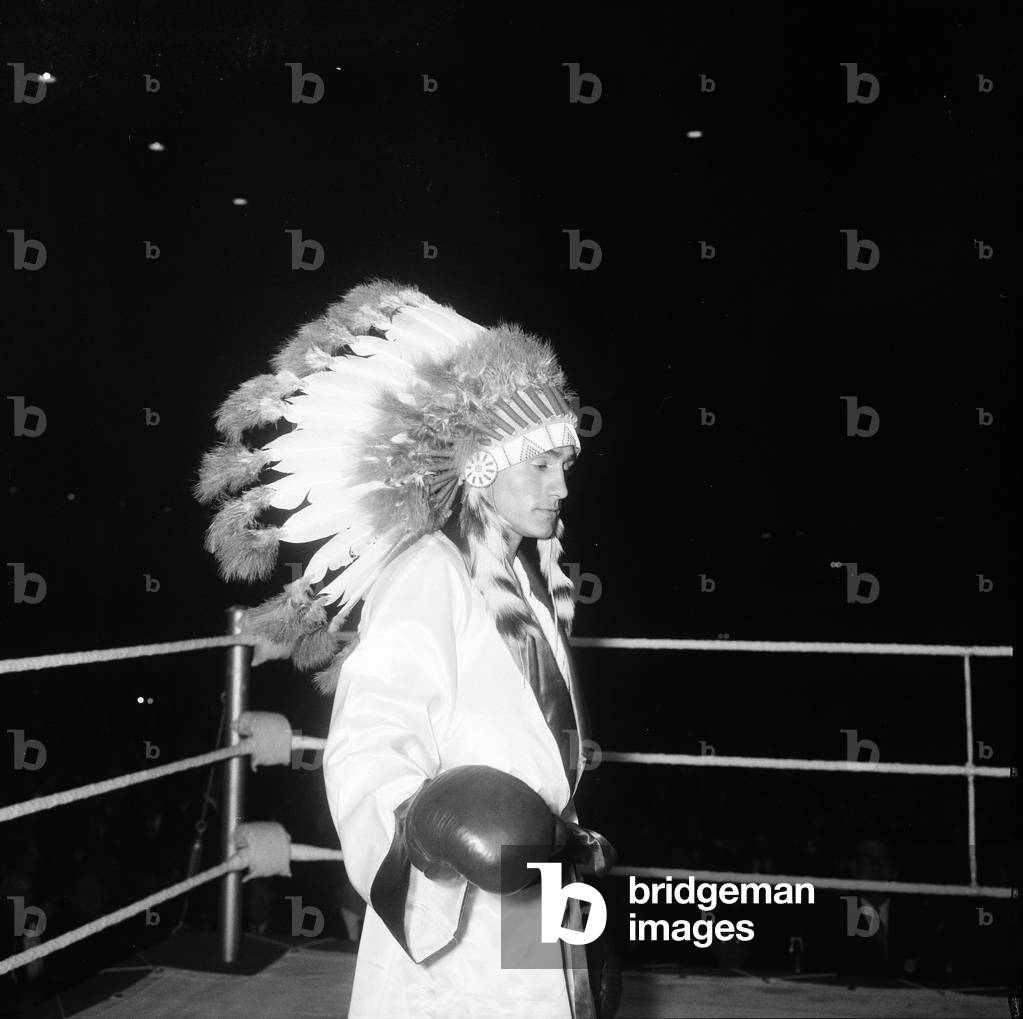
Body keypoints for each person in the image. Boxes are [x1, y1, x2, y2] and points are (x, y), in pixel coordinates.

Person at [196, 279, 618, 1018]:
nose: (561, 485)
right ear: (485, 469)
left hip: (535, 872)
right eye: (541, 464)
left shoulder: (532, 575)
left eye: (565, 465)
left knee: (549, 1004)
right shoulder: (430, 571)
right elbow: (366, 742)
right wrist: (423, 834)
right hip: (454, 901)